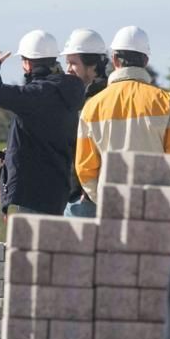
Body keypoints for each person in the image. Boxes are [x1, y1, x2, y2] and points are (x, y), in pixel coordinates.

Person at [75, 26, 170, 204]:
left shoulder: (92, 107)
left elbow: (85, 168)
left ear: (114, 60)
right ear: (145, 60)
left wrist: (102, 199)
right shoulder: (166, 101)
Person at [0, 30, 85, 215]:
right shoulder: (67, 92)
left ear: (27, 63)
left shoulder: (38, 93)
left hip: (31, 191)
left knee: (28, 243)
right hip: (57, 189)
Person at [60, 29, 110, 218]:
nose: (68, 69)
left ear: (93, 65)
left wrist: (87, 191)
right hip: (79, 196)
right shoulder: (78, 97)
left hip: (86, 200)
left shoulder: (99, 99)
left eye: (73, 63)